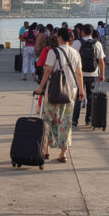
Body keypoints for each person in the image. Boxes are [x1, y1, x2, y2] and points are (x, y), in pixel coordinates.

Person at [35, 28, 85, 163]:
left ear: (60, 37)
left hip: (53, 91)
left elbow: (48, 71)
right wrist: (81, 90)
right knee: (66, 122)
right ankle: (63, 153)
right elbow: (79, 73)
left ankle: (45, 151)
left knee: (48, 120)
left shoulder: (53, 52)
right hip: (70, 93)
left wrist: (40, 88)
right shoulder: (75, 53)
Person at [71, 24, 105, 127]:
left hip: (79, 74)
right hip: (93, 74)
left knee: (78, 97)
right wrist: (102, 75)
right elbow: (101, 61)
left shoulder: (77, 42)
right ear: (92, 32)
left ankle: (74, 120)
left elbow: (72, 58)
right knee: (91, 97)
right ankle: (88, 120)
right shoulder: (97, 44)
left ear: (82, 32)